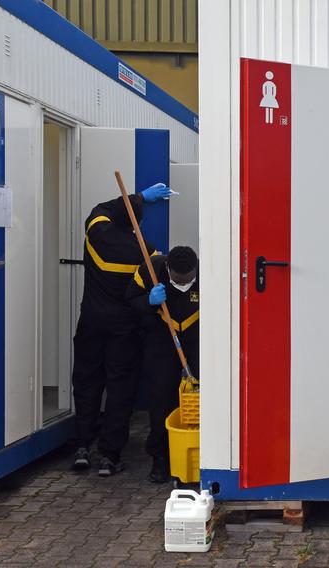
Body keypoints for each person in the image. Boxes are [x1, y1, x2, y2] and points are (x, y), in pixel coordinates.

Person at [70, 182, 173, 476]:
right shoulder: (144, 252)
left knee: (87, 383)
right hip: (124, 329)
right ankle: (110, 455)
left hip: (91, 321)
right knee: (120, 389)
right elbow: (155, 283)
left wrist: (141, 197)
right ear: (137, 223)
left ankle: (81, 446)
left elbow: (104, 208)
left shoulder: (96, 231)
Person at [126, 246, 200, 483]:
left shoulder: (210, 272)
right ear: (168, 270)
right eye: (178, 281)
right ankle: (160, 458)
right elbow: (130, 301)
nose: (184, 284)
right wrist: (148, 301)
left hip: (199, 338)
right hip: (161, 337)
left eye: (188, 280)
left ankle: (200, 456)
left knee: (199, 398)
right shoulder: (151, 269)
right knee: (160, 398)